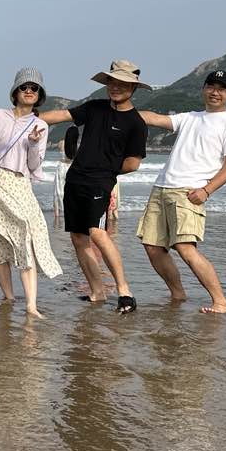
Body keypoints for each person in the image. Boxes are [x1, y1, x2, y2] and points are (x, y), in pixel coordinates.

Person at [37, 60, 149, 314]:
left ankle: (124, 291)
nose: (116, 87)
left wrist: (105, 170)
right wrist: (24, 118)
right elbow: (62, 116)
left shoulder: (136, 123)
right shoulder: (95, 107)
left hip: (100, 183)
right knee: (78, 237)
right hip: (75, 179)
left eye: (123, 84)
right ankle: (97, 291)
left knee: (97, 233)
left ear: (133, 88)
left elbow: (133, 163)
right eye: (112, 82)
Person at [135, 68, 226, 314]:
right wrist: (123, 111)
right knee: (152, 246)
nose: (215, 92)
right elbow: (155, 118)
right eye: (211, 86)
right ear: (204, 89)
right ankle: (177, 293)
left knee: (185, 248)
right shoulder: (190, 117)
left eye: (222, 89)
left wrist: (206, 190)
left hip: (189, 191)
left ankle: (220, 302)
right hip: (161, 187)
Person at [0, 68, 63, 316]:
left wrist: (34, 144)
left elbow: (34, 165)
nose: (29, 91)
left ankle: (31, 305)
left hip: (20, 184)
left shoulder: (40, 125)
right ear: (15, 91)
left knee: (26, 234)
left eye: (34, 88)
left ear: (39, 94)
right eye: (24, 87)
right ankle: (8, 297)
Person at [52, 127, 76, 227]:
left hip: (61, 167)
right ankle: (68, 212)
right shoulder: (75, 146)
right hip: (70, 168)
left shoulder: (61, 143)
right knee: (70, 191)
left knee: (58, 190)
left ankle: (57, 215)